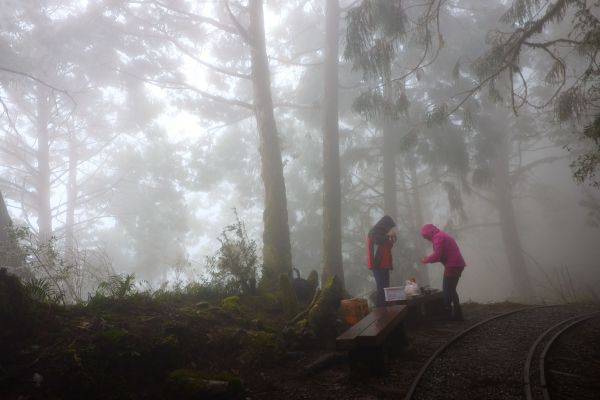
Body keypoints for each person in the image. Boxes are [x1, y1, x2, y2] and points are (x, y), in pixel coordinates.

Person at [420, 224, 466, 321]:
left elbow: (437, 255)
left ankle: (449, 314)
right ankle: (456, 314)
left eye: (426, 236)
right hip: (457, 264)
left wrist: (426, 259)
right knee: (451, 289)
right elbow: (441, 255)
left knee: (448, 289)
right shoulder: (441, 235)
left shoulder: (438, 237)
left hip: (453, 265)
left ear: (429, 233)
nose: (426, 239)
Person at [367, 215, 397, 307]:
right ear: (385, 224)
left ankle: (385, 308)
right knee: (381, 288)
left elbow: (389, 245)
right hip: (377, 264)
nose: (390, 229)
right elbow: (376, 240)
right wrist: (388, 235)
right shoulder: (373, 231)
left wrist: (392, 237)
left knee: (386, 288)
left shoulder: (383, 233)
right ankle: (380, 310)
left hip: (385, 264)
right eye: (390, 227)